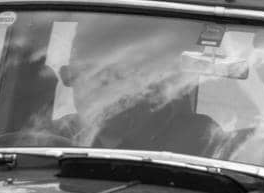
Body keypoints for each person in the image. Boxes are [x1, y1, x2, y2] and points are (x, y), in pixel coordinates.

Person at [50, 15, 220, 154]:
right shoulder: (48, 141)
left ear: (151, 82)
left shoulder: (201, 141)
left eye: (115, 75)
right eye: (82, 73)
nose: (97, 92)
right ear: (68, 76)